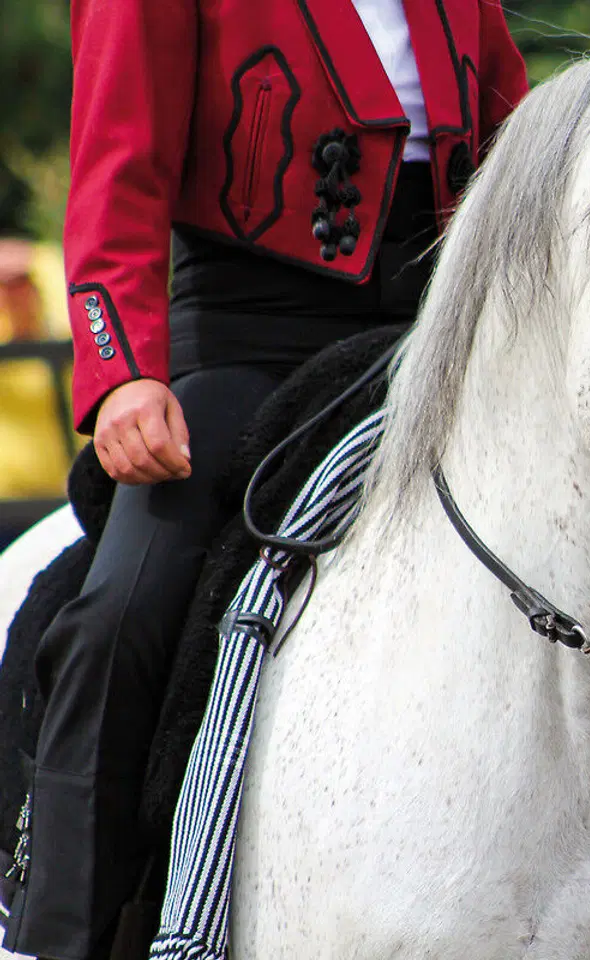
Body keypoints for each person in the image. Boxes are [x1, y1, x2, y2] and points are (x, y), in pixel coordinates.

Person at [3, 3, 529, 957]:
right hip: (249, 337)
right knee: (124, 614)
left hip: (444, 332)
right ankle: (64, 930)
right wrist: (123, 372)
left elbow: (517, 146)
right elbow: (117, 171)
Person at [0, 238, 72, 549]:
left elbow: (62, 268)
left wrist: (33, 260)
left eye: (21, 283)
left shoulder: (62, 331)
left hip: (61, 500)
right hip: (7, 505)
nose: (13, 292)